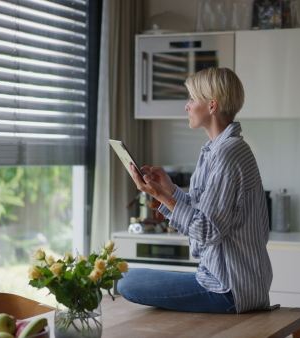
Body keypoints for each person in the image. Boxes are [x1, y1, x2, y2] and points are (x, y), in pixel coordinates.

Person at [117, 67, 273, 314]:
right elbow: (206, 215)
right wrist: (170, 190)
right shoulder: (217, 150)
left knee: (126, 280)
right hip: (231, 282)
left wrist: (160, 196)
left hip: (230, 290)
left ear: (212, 106)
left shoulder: (227, 154)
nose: (186, 106)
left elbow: (208, 230)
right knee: (128, 276)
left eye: (191, 99)